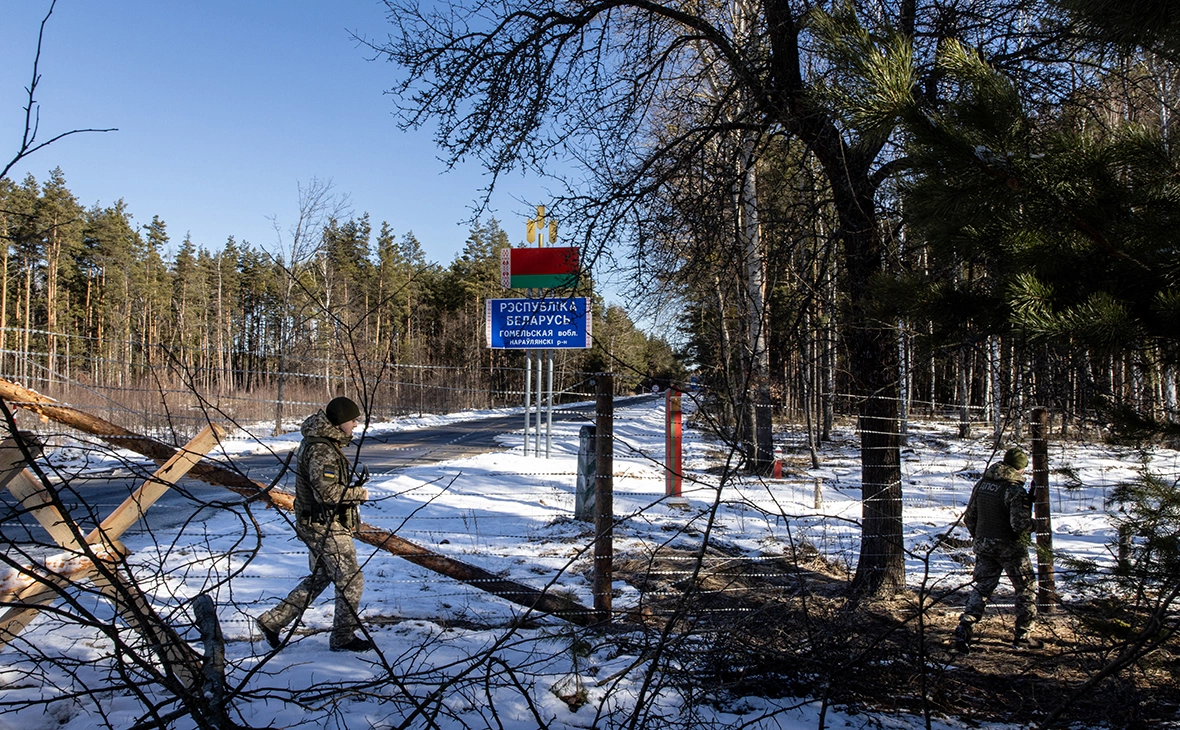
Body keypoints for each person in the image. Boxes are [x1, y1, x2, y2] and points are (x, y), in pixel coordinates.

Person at [257, 396, 373, 652]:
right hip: (322, 524)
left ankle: (272, 622)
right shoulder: (322, 449)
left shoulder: (322, 443)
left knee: (322, 576)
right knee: (351, 579)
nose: (355, 424)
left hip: (318, 522)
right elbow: (329, 495)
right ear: (341, 421)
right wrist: (359, 494)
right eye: (353, 420)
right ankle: (343, 638)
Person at [953, 446, 1040, 653]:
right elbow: (1019, 525)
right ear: (1020, 468)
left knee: (981, 588)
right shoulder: (1014, 490)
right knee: (1026, 589)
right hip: (1010, 548)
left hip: (984, 545)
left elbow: (969, 517)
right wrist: (1034, 525)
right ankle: (1023, 636)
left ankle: (965, 627)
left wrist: (981, 538)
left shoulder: (982, 484)